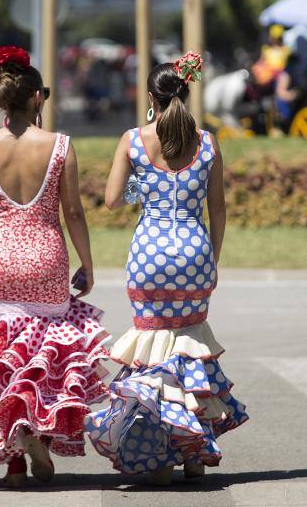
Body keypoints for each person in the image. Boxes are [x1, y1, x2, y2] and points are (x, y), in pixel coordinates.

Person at [0, 45, 110, 487]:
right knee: (40, 357)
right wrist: (88, 263)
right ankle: (40, 437)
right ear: (38, 98)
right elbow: (73, 212)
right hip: (45, 257)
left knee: (1, 359)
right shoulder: (59, 146)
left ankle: (13, 463)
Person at [86, 52, 248, 485]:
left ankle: (157, 451)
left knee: (152, 355)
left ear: (151, 98)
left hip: (148, 256)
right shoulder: (208, 142)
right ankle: (194, 454)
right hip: (194, 254)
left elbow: (113, 199)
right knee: (189, 350)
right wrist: (210, 261)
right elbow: (218, 210)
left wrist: (145, 185)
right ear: (187, 93)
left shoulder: (134, 139)